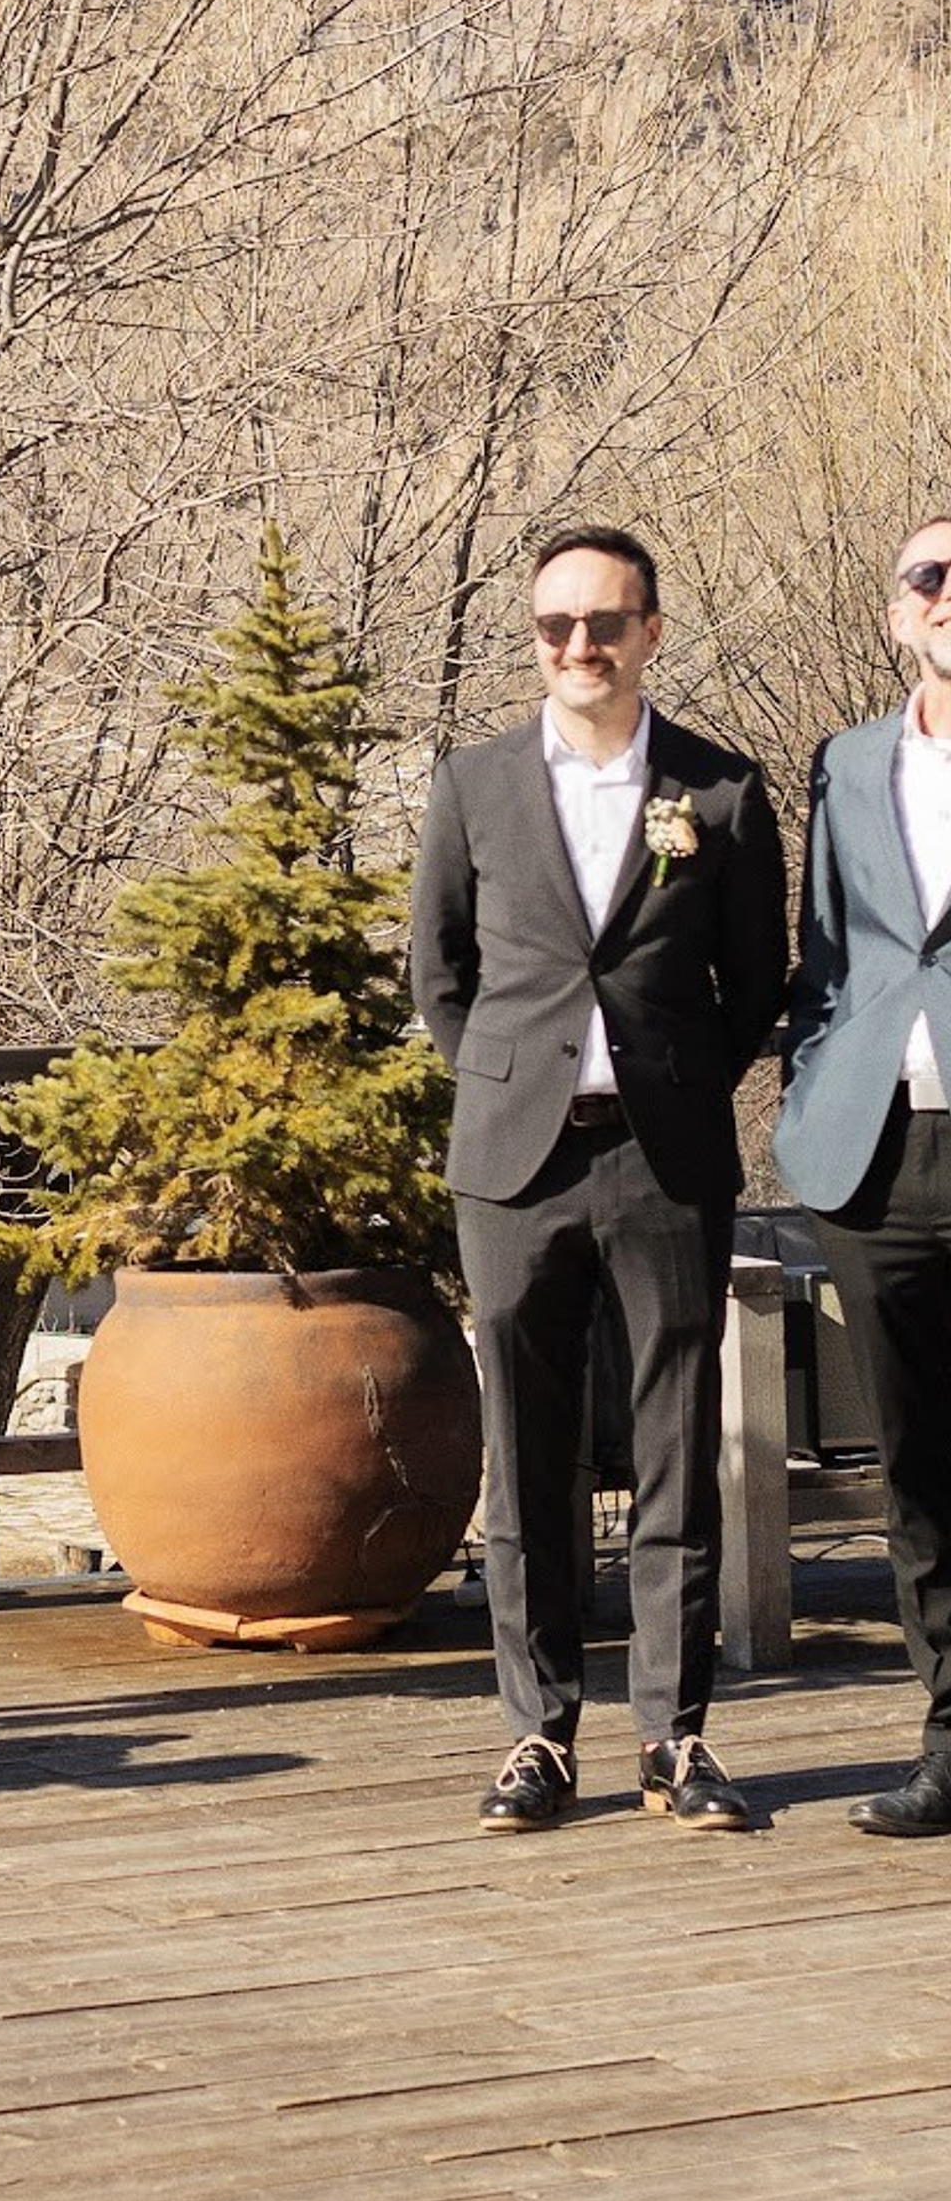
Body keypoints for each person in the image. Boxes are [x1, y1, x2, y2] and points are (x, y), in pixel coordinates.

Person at [410, 527, 787, 1834]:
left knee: (682, 1454)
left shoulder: (723, 794)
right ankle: (539, 1736)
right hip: (514, 1166)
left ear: (652, 633)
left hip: (664, 1160)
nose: (581, 646)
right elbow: (439, 978)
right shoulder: (472, 785)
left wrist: (664, 1081)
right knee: (528, 1456)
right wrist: (518, 1081)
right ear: (535, 639)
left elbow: (754, 986)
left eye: (606, 623)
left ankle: (676, 1739)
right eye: (555, 626)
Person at [777, 517, 951, 1835]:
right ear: (897, 613)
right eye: (930, 578)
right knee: (922, 1471)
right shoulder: (848, 763)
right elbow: (824, 955)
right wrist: (812, 1092)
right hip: (878, 1155)